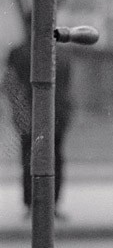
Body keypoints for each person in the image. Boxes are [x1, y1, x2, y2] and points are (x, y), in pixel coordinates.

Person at [1, 13, 73, 219]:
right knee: (52, 158)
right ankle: (48, 203)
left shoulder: (20, 53)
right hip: (51, 114)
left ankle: (34, 203)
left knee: (32, 158)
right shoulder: (58, 53)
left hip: (39, 115)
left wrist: (20, 113)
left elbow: (9, 85)